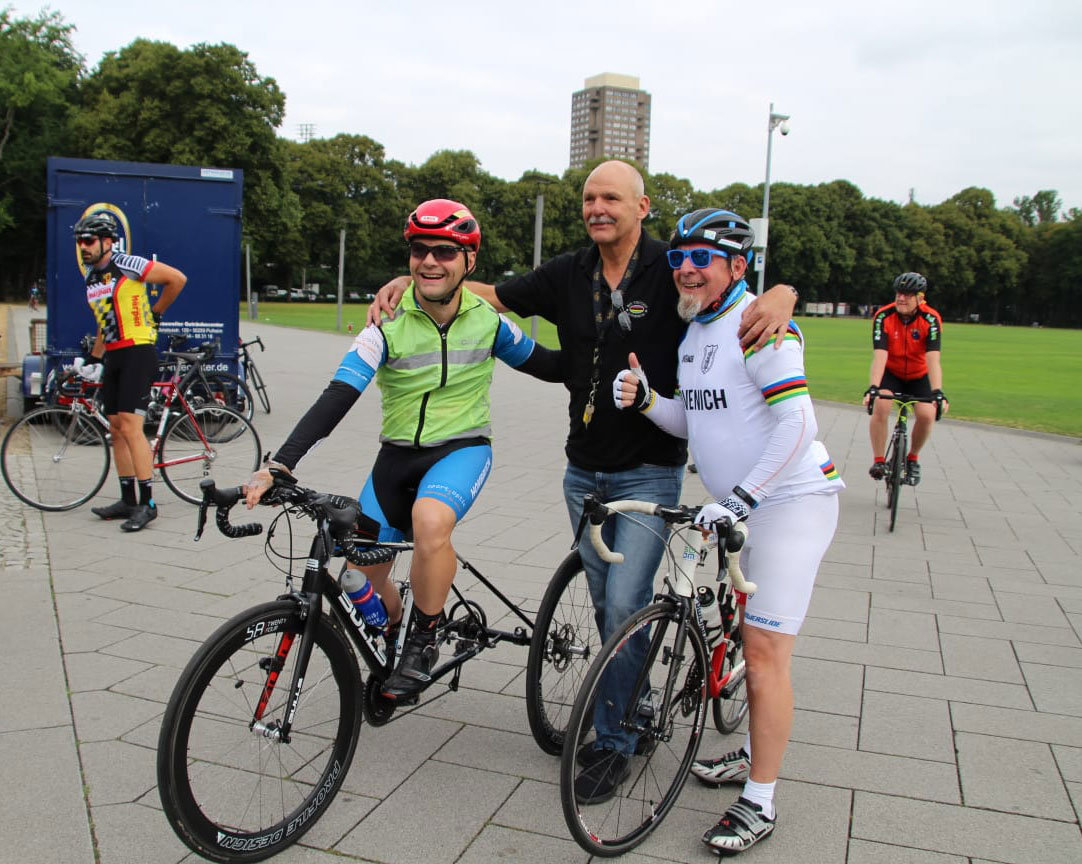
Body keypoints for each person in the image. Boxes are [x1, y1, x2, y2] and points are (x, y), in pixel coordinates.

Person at [367, 160, 799, 799]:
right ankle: (639, 701)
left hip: (650, 469)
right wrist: (413, 275)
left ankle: (618, 738)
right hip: (582, 468)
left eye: (612, 198)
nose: (598, 207)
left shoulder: (671, 267)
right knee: (606, 604)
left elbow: (733, 296)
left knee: (625, 603)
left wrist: (782, 292)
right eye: (589, 197)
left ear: (641, 206)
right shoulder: (568, 272)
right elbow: (486, 293)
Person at [245, 199, 560, 698]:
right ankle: (391, 630)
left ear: (468, 262)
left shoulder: (489, 322)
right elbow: (339, 393)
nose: (430, 261)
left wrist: (605, 364)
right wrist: (280, 463)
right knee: (356, 581)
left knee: (430, 523)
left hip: (461, 451)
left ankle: (424, 637)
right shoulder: (386, 322)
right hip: (394, 460)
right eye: (419, 250)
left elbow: (549, 364)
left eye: (444, 251)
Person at [614, 208, 843, 855]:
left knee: (766, 653)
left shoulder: (761, 327)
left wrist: (743, 497)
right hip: (741, 509)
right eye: (679, 257)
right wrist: (647, 401)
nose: (686, 268)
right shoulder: (695, 332)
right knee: (746, 634)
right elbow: (697, 418)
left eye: (702, 258)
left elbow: (796, 424)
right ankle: (750, 753)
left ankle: (760, 799)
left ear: (738, 267)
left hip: (790, 503)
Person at [75, 212, 186, 532]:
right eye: (79, 241)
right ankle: (128, 499)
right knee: (115, 426)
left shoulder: (127, 264)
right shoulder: (91, 278)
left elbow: (176, 279)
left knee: (132, 425)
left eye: (88, 241)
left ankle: (148, 503)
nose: (83, 247)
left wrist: (156, 313)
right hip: (113, 354)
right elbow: (103, 323)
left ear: (107, 242)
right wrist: (93, 359)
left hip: (138, 350)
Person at [862, 272, 948, 485]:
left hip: (919, 374)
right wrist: (873, 387)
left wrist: (937, 392)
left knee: (927, 414)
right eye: (899, 293)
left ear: (920, 298)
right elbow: (880, 355)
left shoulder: (931, 319)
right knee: (881, 405)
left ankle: (912, 458)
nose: (901, 298)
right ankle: (880, 460)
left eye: (907, 295)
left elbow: (933, 359)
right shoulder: (883, 316)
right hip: (891, 372)